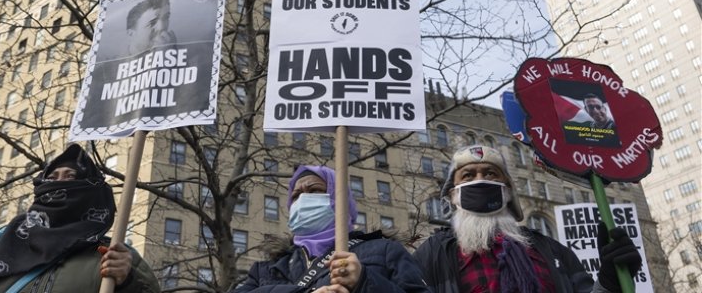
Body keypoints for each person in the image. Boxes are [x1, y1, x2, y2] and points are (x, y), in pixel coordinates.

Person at [413, 145, 642, 293]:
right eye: (468, 175)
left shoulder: (551, 250)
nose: (480, 180)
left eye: (490, 173)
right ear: (452, 194)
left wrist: (610, 282)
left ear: (508, 190)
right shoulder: (433, 253)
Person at [0, 143, 159, 293]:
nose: (59, 183)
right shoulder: (4, 246)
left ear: (91, 190)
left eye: (70, 176)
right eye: (52, 178)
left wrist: (128, 281)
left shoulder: (115, 257)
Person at [231, 165, 430, 293]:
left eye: (314, 190)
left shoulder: (385, 251)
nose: (303, 198)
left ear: (339, 199)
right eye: (296, 195)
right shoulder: (266, 270)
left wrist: (364, 281)